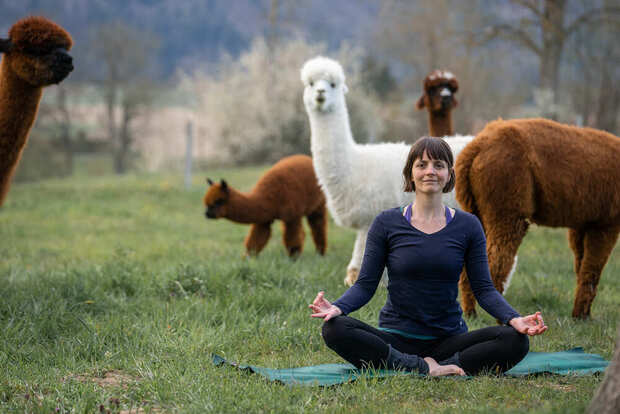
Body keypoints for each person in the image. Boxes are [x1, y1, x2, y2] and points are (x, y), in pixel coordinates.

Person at [309, 136, 547, 377]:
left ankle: (443, 364)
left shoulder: (468, 226)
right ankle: (423, 367)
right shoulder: (386, 223)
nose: (430, 172)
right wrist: (338, 307)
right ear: (410, 173)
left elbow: (484, 289)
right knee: (334, 329)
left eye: (438, 165)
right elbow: (365, 285)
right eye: (421, 165)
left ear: (450, 174)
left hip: (449, 340)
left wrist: (514, 318)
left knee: (515, 340)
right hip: (396, 339)